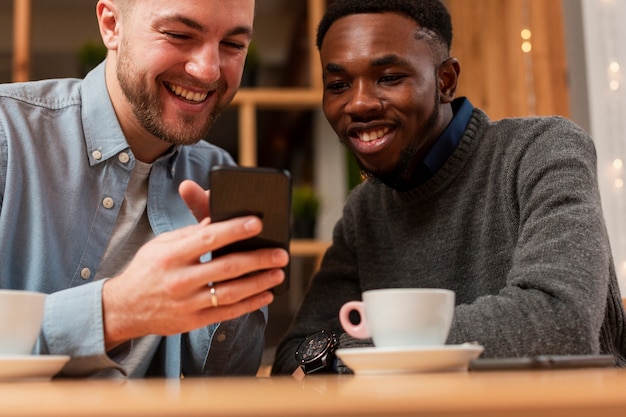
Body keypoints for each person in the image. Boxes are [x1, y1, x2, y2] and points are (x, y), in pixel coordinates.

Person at [272, 0, 626, 375]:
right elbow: (293, 355)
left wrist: (352, 354)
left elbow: (559, 322)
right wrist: (343, 355)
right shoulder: (365, 211)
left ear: (446, 81)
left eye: (389, 77)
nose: (358, 103)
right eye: (339, 85)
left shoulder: (540, 150)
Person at [0, 0, 289, 378]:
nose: (207, 70)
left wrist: (230, 297)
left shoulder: (217, 176)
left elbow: (225, 383)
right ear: (111, 25)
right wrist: (116, 311)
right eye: (178, 35)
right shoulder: (8, 135)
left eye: (233, 45)